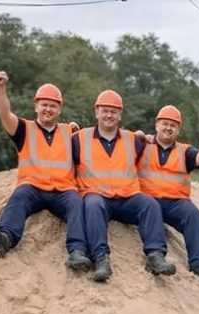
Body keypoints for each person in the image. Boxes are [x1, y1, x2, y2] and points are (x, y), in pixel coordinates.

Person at [0, 71, 90, 270]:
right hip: (32, 187)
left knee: (77, 203)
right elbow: (5, 113)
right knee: (18, 196)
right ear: (36, 106)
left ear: (59, 109)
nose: (48, 109)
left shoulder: (70, 131)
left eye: (53, 105)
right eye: (44, 104)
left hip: (62, 191)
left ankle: (77, 251)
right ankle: (5, 238)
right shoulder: (23, 129)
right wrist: (0, 87)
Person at [74, 90, 175, 282]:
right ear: (96, 112)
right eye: (105, 110)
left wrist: (150, 138)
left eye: (113, 111)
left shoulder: (133, 140)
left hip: (127, 197)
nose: (109, 115)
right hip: (96, 195)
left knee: (150, 204)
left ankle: (155, 256)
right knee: (93, 205)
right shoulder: (79, 138)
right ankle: (100, 259)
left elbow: (158, 153)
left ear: (120, 115)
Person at [137, 105, 199, 280]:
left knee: (194, 216)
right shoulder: (143, 145)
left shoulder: (185, 151)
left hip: (176, 203)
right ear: (157, 125)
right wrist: (138, 135)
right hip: (147, 201)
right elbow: (122, 145)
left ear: (178, 130)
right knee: (150, 208)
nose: (168, 128)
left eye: (173, 125)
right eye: (165, 124)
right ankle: (157, 258)